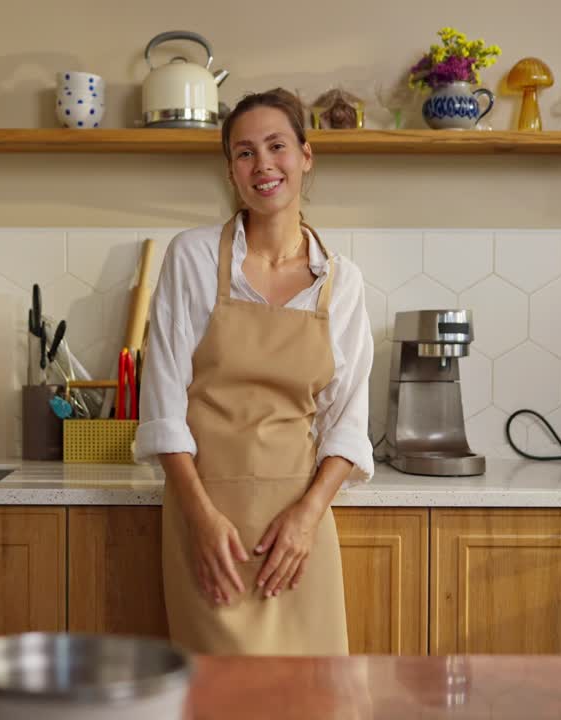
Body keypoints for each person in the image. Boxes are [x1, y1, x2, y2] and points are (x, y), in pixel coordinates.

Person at [134, 87, 375, 655]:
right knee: (219, 700)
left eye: (276, 146)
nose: (262, 164)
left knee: (316, 700)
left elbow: (348, 420)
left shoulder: (342, 281)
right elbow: (163, 405)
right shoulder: (191, 257)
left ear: (305, 156)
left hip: (299, 530)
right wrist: (200, 519)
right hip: (207, 525)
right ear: (230, 171)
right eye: (245, 152)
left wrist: (307, 517)